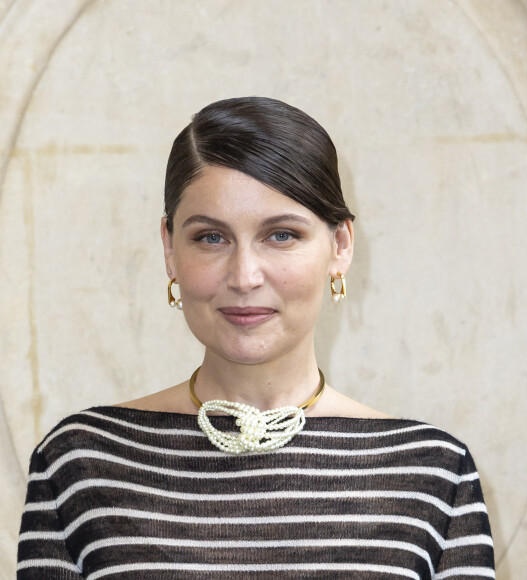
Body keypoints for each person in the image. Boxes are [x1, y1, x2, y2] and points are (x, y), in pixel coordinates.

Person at [17, 97, 495, 579]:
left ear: (340, 246)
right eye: (211, 238)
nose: (244, 276)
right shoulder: (80, 462)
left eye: (282, 235)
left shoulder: (434, 474)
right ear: (169, 248)